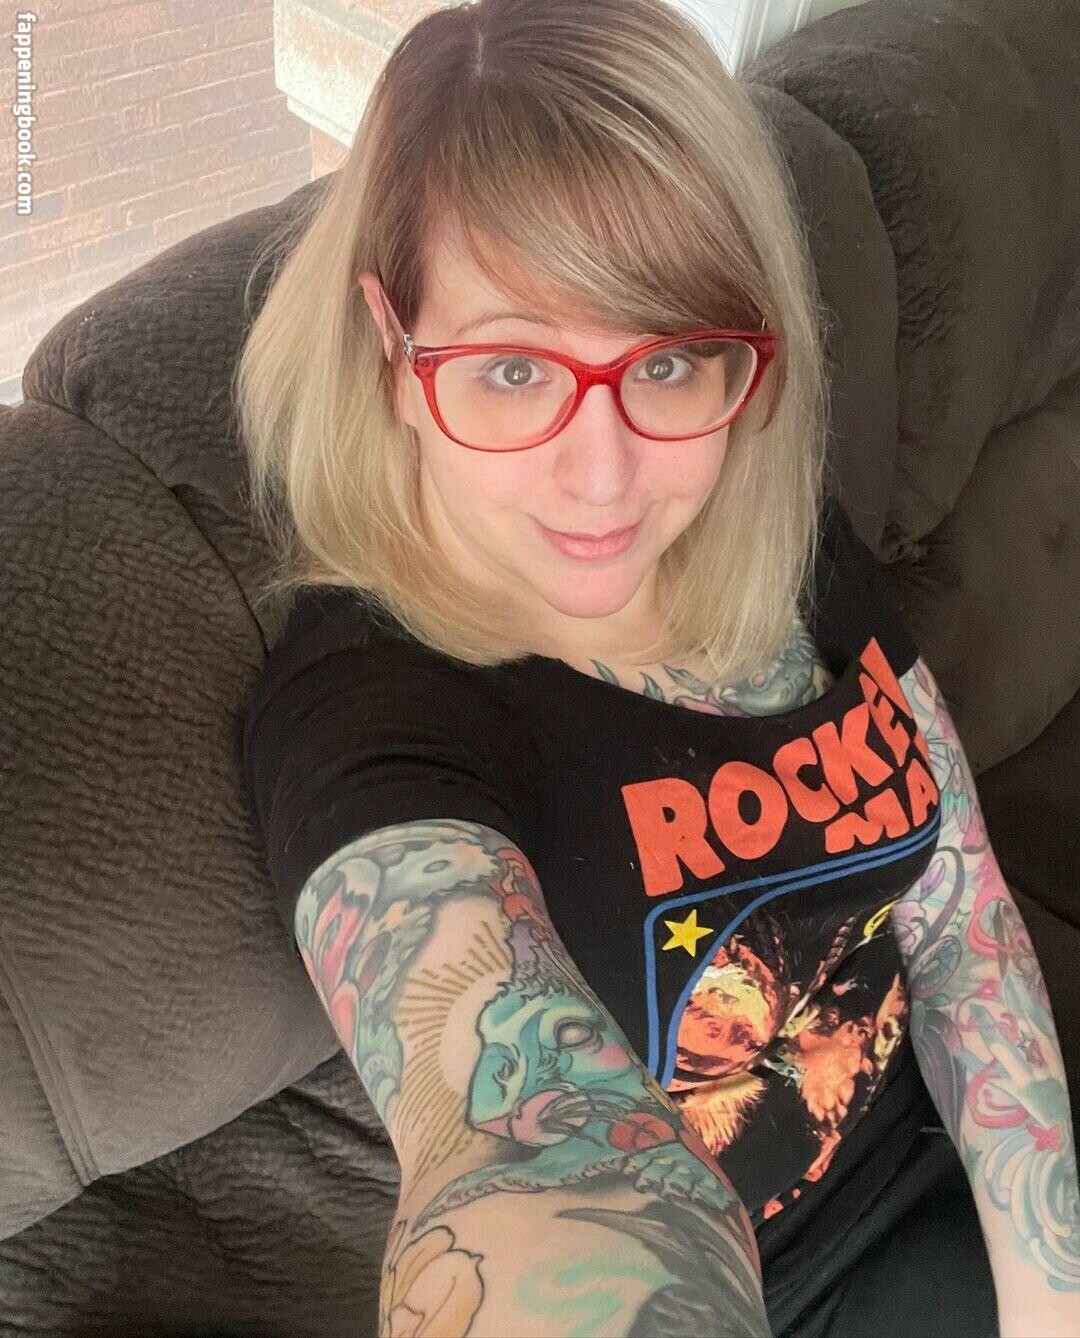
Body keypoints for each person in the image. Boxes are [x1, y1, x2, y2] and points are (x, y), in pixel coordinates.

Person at [237, 1, 1080, 1334]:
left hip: (951, 1213)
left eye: (672, 360)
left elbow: (965, 928)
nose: (606, 476)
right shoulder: (370, 712)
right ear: (394, 352)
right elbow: (517, 1142)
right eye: (512, 369)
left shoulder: (782, 542)